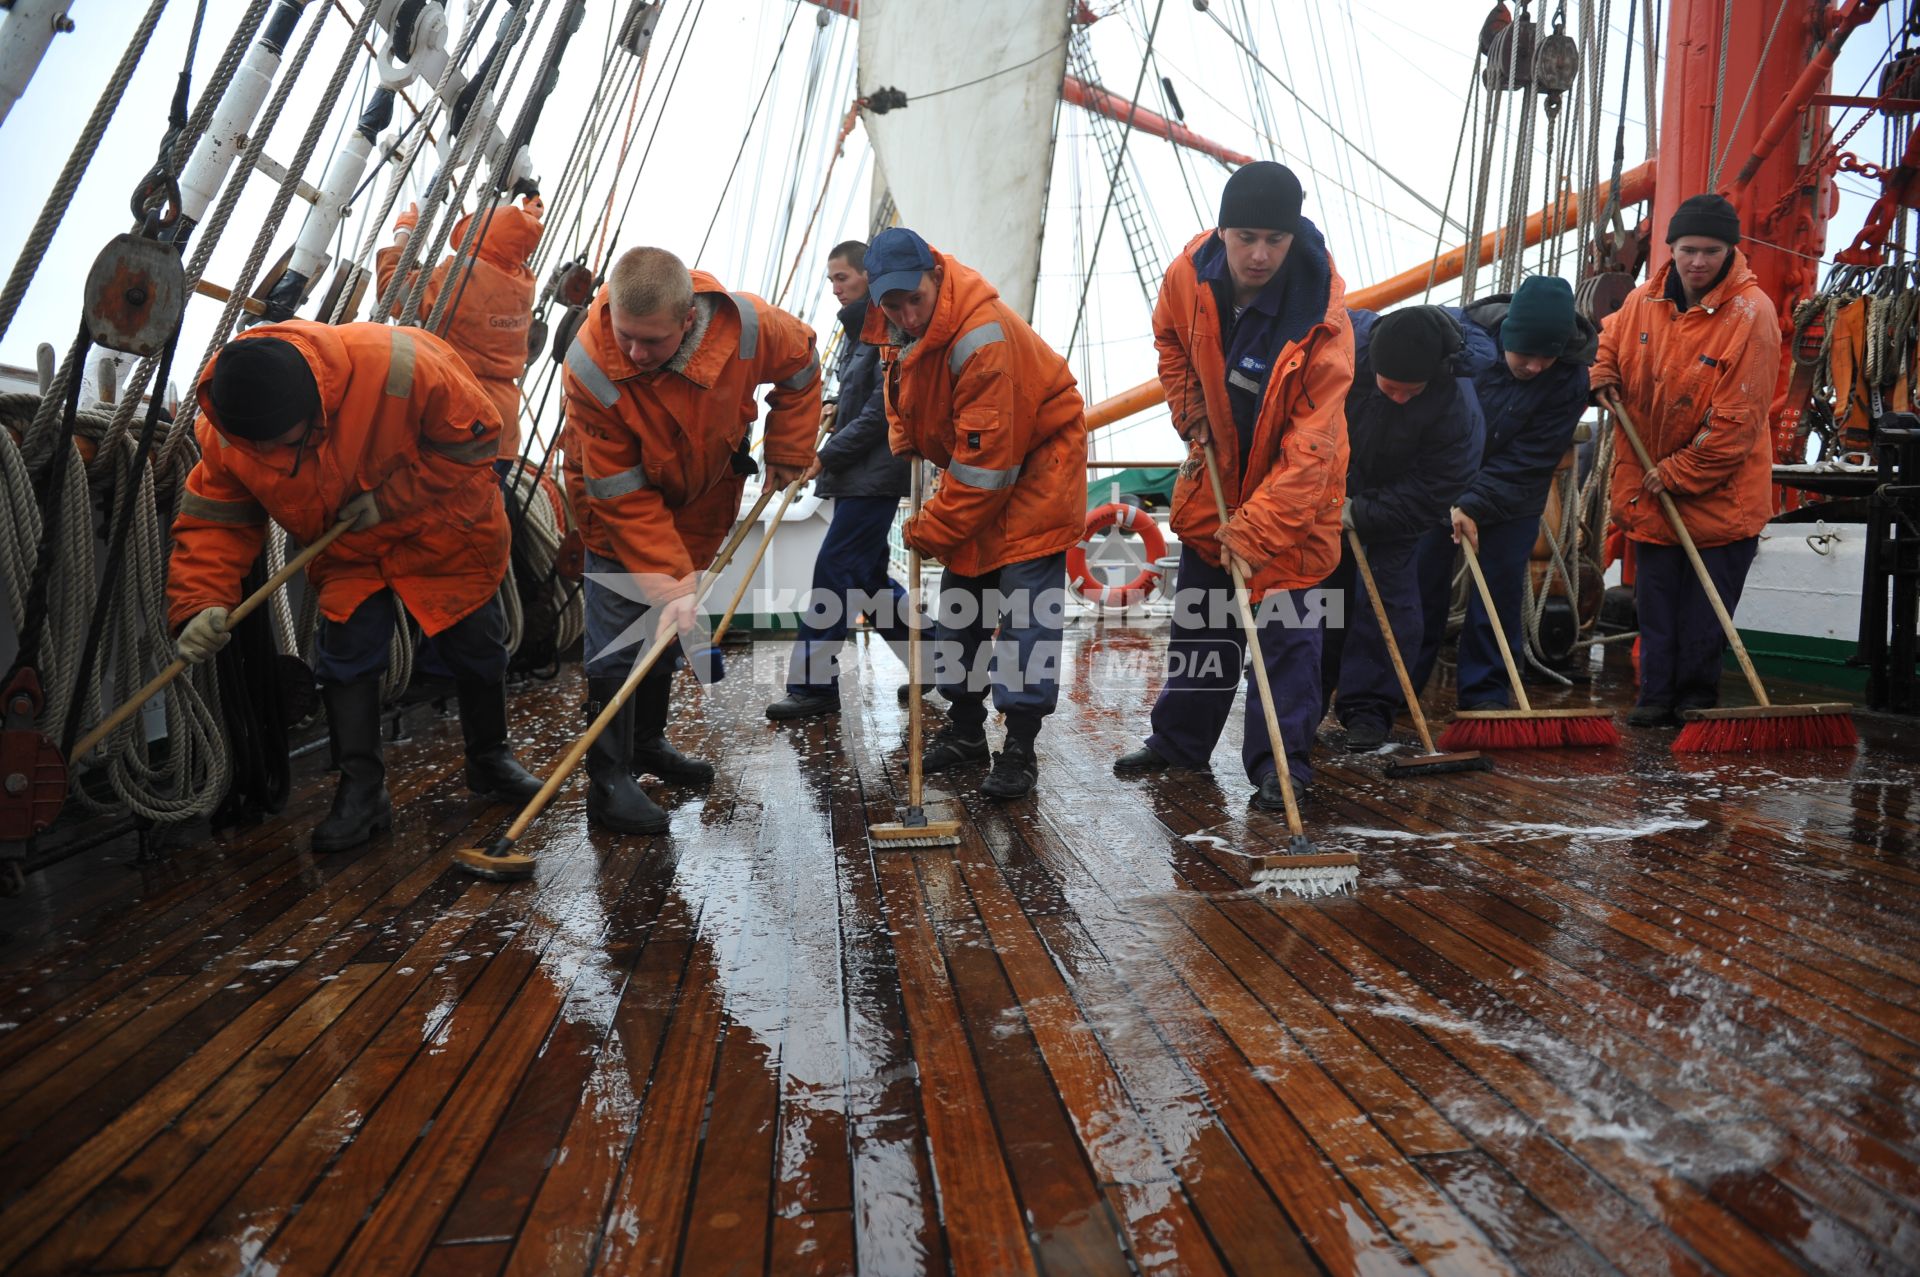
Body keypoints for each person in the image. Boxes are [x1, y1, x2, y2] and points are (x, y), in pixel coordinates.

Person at [168, 321, 544, 853]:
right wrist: (200, 602)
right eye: (264, 446)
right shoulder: (226, 434)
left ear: (316, 405)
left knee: (478, 647)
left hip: (444, 528)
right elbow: (216, 523)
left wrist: (389, 502)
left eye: (288, 441)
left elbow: (477, 442)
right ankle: (363, 792)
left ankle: (490, 759)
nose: (275, 452)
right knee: (345, 658)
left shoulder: (400, 364)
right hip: (346, 549)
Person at [1112, 161, 1354, 804]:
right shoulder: (1189, 274)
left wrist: (1255, 529)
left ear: (1294, 236)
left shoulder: (1323, 323)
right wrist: (1187, 404)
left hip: (1292, 503)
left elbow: (1312, 451)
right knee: (1202, 624)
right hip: (1216, 482)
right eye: (1245, 236)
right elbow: (1169, 337)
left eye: (1275, 240)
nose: (1259, 253)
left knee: (1287, 640)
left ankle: (1283, 767)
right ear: (1222, 230)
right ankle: (1179, 744)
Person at [563, 246, 820, 831]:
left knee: (668, 626)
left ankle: (649, 744)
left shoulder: (749, 326)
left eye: (651, 341)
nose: (634, 352)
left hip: (703, 497)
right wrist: (670, 579)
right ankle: (607, 782)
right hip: (615, 504)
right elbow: (622, 494)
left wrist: (786, 447)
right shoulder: (590, 365)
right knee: (618, 636)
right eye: (626, 336)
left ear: (688, 321)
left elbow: (802, 368)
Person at [862, 227, 1086, 799]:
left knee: (1026, 622)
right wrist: (903, 437)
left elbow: (990, 470)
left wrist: (931, 528)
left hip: (1036, 474)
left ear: (936, 275)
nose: (908, 314)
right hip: (978, 472)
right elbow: (902, 395)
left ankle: (1019, 749)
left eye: (916, 298)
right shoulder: (896, 328)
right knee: (962, 609)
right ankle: (964, 732)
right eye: (893, 304)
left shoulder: (984, 339)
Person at [1590, 193, 1782, 726]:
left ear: (1730, 252)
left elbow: (1737, 421)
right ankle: (1654, 697)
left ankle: (1696, 702)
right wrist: (1602, 374)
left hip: (1719, 495)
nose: (1698, 262)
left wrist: (1678, 473)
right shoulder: (1642, 301)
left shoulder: (1752, 315)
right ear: (1671, 248)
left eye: (1712, 251)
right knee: (1656, 607)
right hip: (1650, 487)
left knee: (1703, 615)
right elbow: (1610, 341)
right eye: (1688, 249)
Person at [1412, 275, 1595, 706]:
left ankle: (1485, 699)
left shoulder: (1570, 379)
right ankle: (1395, 690)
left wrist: (1474, 503)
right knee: (1418, 585)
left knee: (1499, 594)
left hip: (1514, 493)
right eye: (1524, 353)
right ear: (1506, 335)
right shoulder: (1458, 345)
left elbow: (1531, 457)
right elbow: (1427, 424)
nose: (1533, 366)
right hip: (1437, 481)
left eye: (1545, 357)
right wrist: (1452, 494)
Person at [1319, 305, 1486, 750]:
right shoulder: (1341, 354)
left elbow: (1435, 488)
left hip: (1401, 505)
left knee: (1389, 603)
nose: (1399, 399)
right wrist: (1327, 495)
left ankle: (1369, 712)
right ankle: (1303, 698)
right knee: (1319, 599)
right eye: (1391, 389)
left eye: (1411, 392)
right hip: (1327, 491)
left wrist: (1362, 512)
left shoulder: (1456, 408)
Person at [765, 240, 914, 720]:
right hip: (859, 477)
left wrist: (825, 456)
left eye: (841, 278)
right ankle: (941, 664)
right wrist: (832, 405)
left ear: (869, 276)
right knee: (868, 582)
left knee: (833, 572)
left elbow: (879, 413)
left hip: (874, 478)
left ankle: (814, 688)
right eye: (830, 280)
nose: (834, 288)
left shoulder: (888, 331)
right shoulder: (856, 334)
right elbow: (857, 399)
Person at [376, 193, 545, 462]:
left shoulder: (460, 272)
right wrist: (526, 220)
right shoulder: (524, 281)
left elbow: (392, 293)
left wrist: (404, 234)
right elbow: (511, 240)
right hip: (502, 434)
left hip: (458, 422)